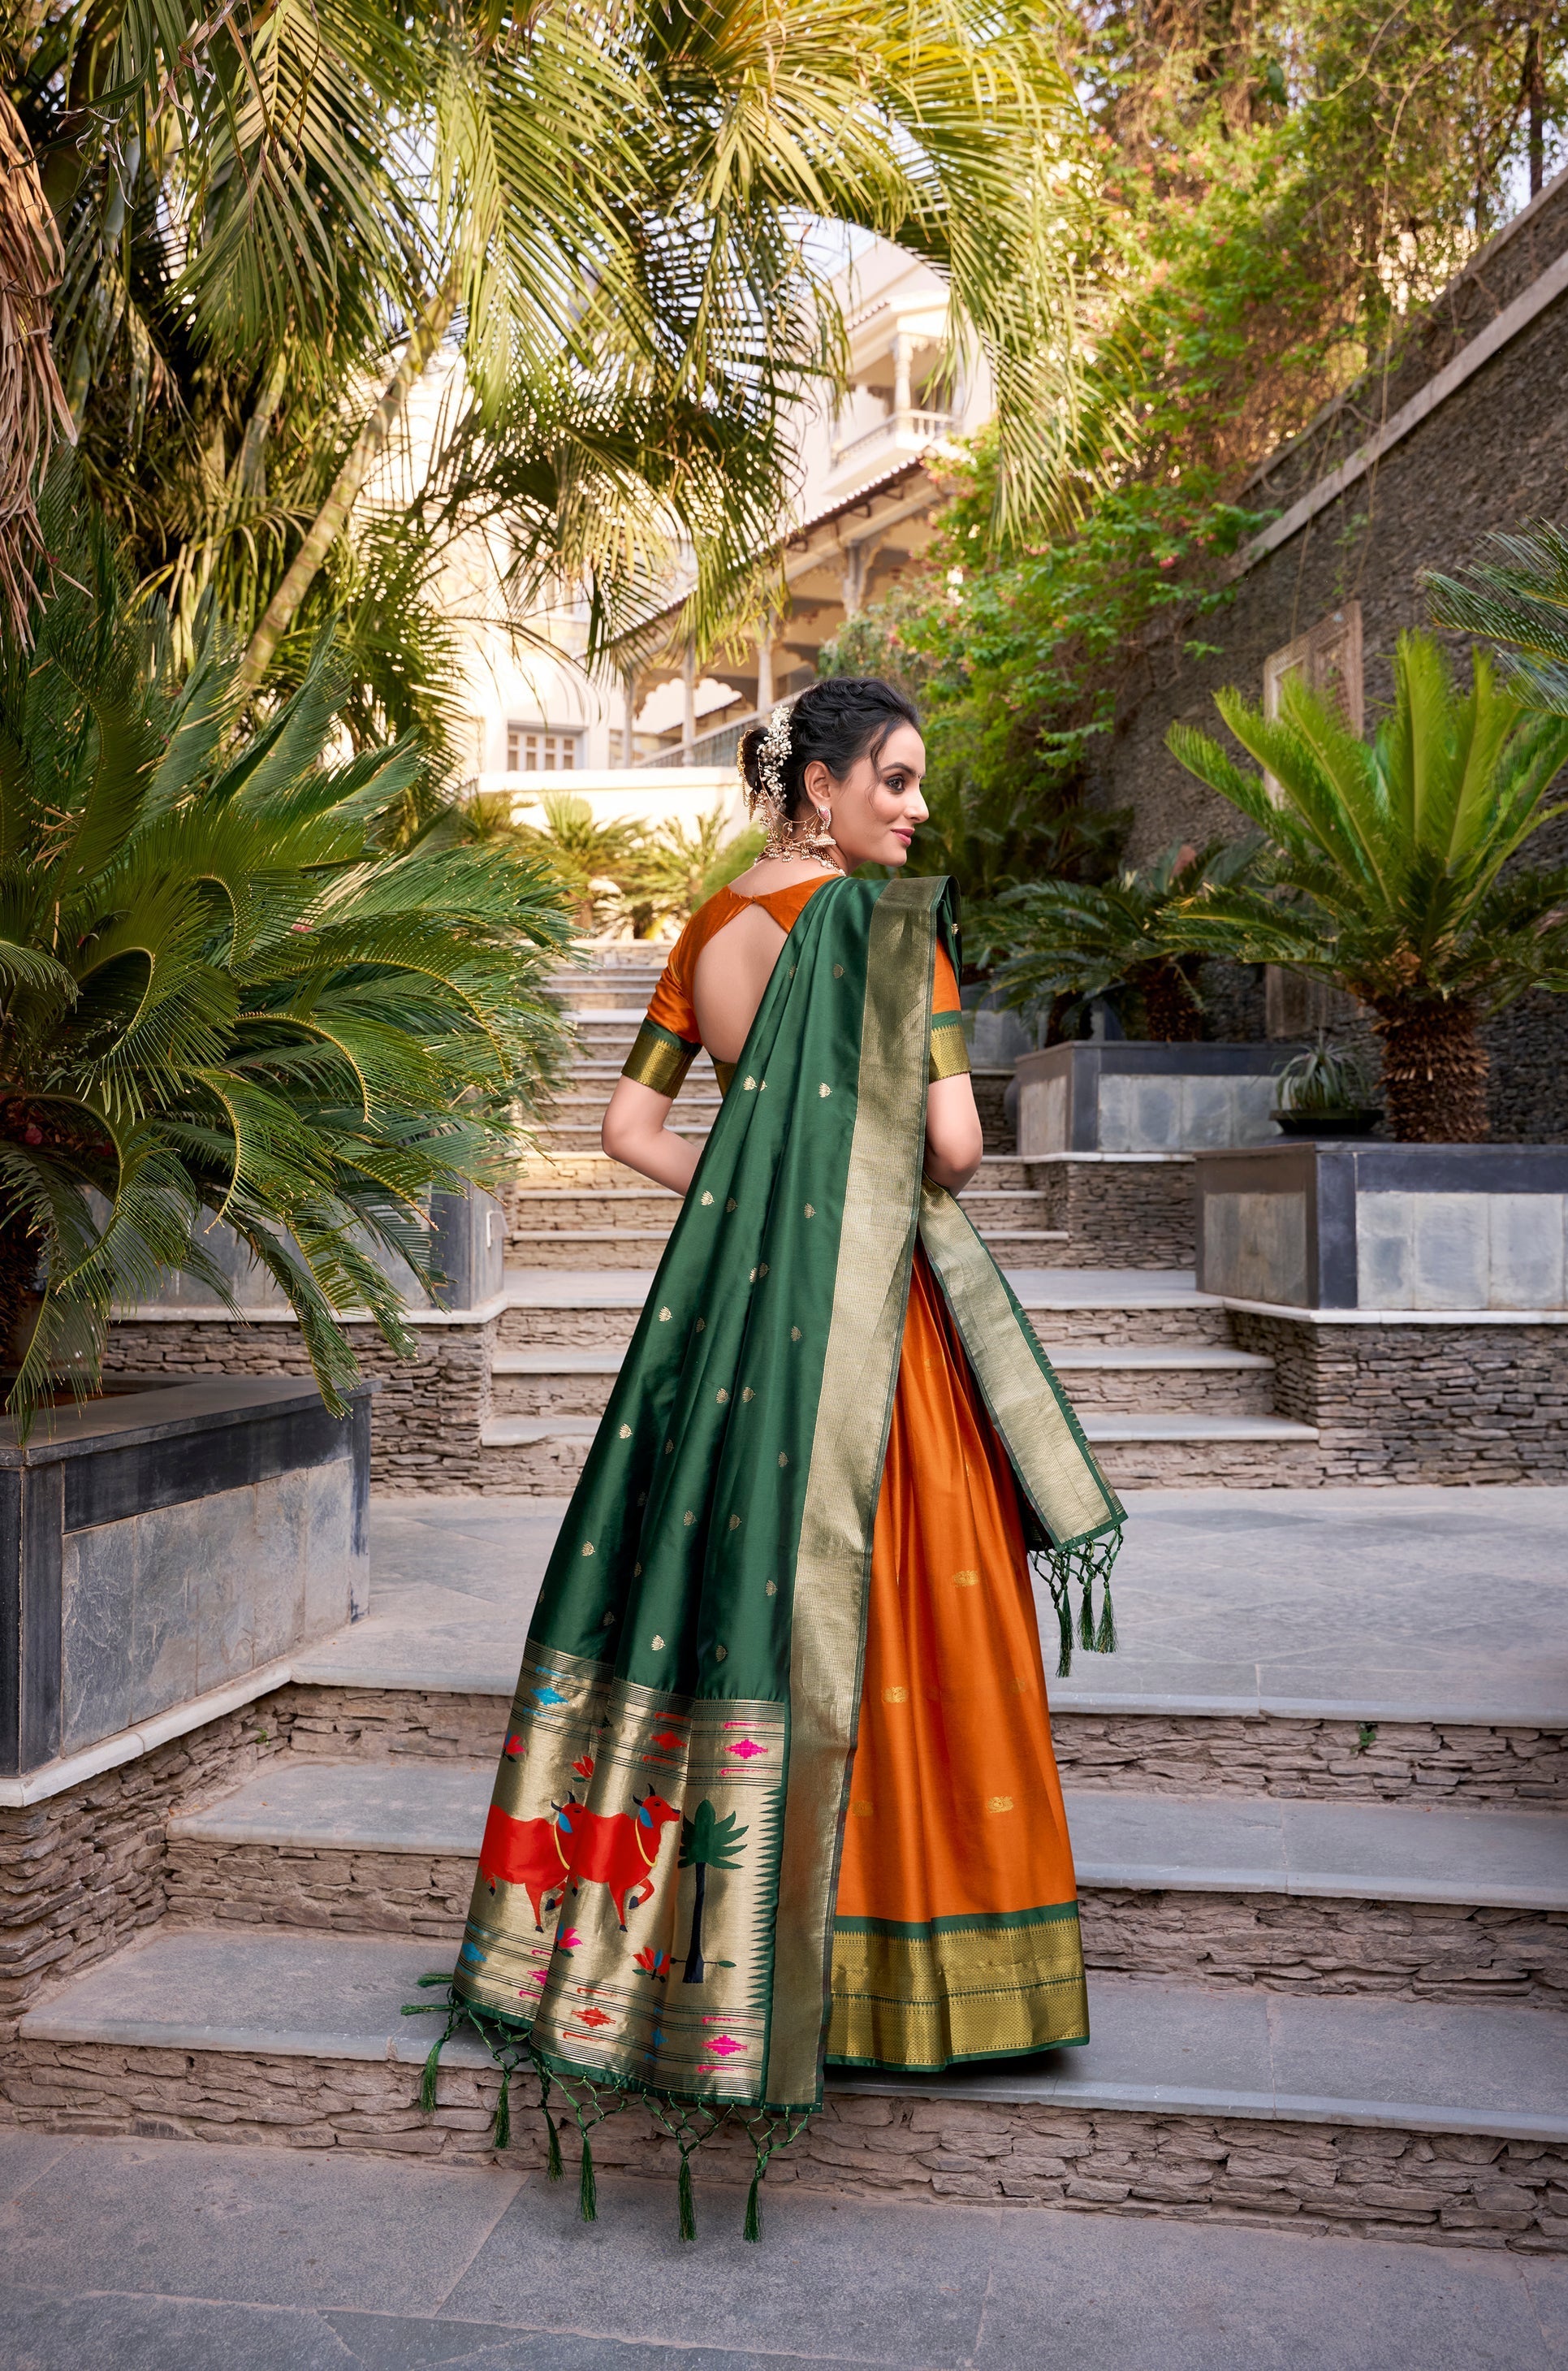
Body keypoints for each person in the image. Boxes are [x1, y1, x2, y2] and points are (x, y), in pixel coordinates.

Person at [420, 677, 1124, 2239]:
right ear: (818, 785)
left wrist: (752, 1195)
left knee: (724, 1606)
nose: (914, 809)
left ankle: (685, 1962)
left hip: (739, 1331)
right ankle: (906, 1975)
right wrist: (844, 1179)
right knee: (910, 1606)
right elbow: (953, 1150)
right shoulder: (885, 935)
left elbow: (627, 1130)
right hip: (874, 1326)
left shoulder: (709, 931)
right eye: (895, 779)